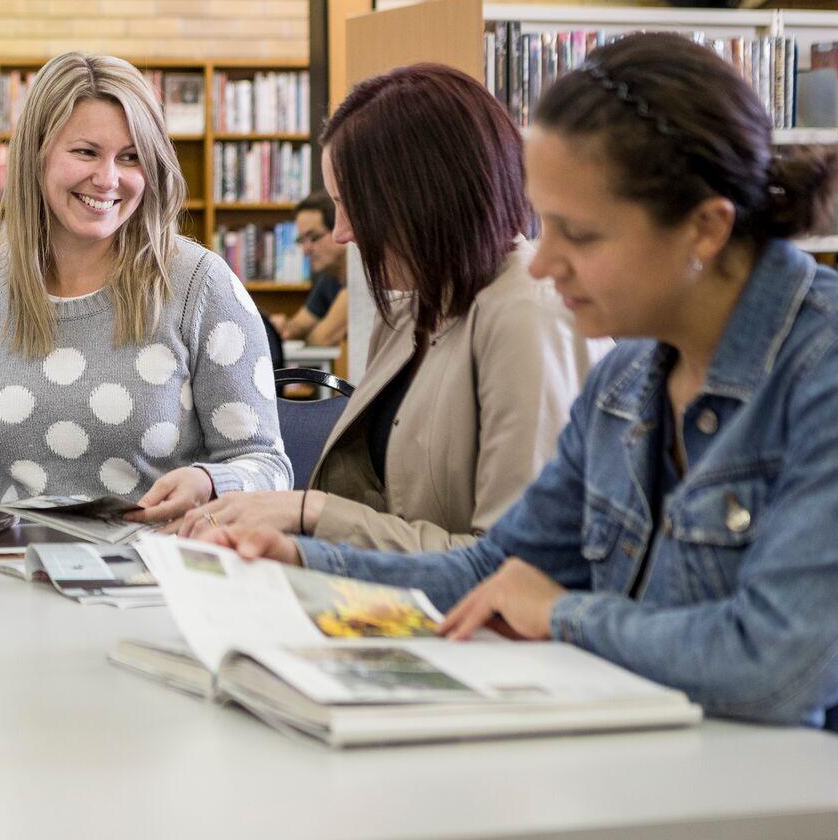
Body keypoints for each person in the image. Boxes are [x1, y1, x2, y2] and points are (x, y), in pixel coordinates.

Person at [206, 33, 838, 761]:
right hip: (676, 776)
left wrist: (564, 615)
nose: (542, 265)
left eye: (580, 235)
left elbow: (781, 663)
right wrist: (298, 558)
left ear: (705, 227)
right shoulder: (628, 381)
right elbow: (493, 570)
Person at [176, 63, 602, 550]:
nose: (342, 233)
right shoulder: (410, 311)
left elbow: (516, 565)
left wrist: (312, 514)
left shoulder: (529, 314)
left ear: (424, 196)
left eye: (353, 203)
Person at [0, 51, 289, 517]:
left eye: (131, 157)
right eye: (86, 152)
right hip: (9, 568)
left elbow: (268, 467)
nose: (108, 179)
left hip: (156, 572)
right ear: (36, 156)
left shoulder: (201, 285)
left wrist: (209, 480)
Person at [271, 191, 347, 346]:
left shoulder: (363, 278)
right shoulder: (329, 278)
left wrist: (304, 334)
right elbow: (298, 327)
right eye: (302, 240)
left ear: (340, 230)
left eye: (313, 238)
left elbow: (321, 339)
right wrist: (280, 327)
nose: (306, 250)